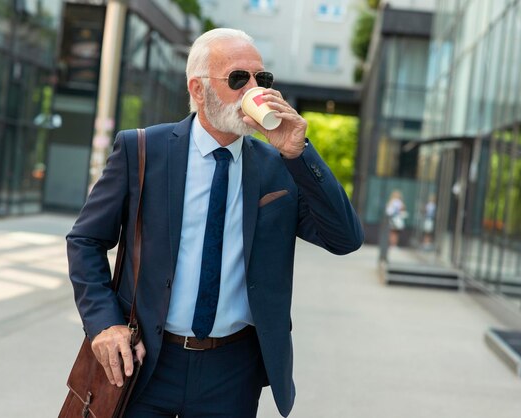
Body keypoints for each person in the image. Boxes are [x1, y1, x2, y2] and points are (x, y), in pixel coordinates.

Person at [66, 28, 364, 418]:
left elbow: (345, 238)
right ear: (198, 88)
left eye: (263, 78)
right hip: (145, 361)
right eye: (239, 78)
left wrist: (300, 153)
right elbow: (85, 240)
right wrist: (105, 324)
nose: (254, 89)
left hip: (232, 371)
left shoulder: (280, 167)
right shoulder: (142, 150)